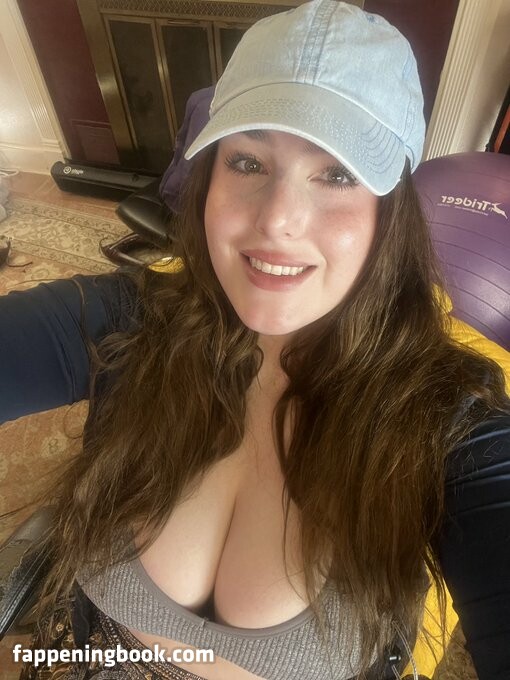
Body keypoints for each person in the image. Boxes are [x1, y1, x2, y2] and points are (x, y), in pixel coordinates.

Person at [1, 1, 509, 679]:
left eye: (337, 174)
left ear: (390, 214)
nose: (277, 221)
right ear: (208, 178)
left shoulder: (451, 422)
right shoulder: (123, 323)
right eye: (248, 162)